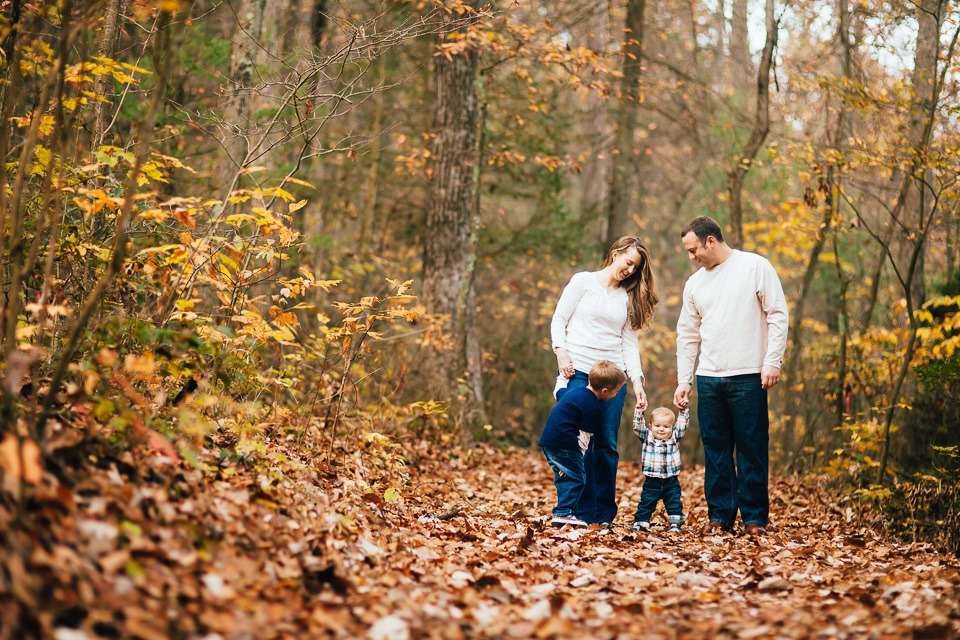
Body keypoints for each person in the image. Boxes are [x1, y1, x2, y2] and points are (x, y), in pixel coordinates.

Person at [673, 216, 788, 537]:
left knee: (752, 447)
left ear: (711, 241)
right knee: (716, 449)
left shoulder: (754, 267)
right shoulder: (695, 284)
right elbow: (687, 334)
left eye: (693, 249)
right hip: (709, 378)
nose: (691, 256)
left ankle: (754, 519)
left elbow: (777, 314)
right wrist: (685, 379)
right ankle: (720, 515)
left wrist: (772, 361)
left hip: (749, 374)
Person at [551, 236, 659, 525]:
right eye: (628, 262)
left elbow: (628, 342)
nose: (630, 270)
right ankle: (578, 511)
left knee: (606, 445)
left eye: (635, 268)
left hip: (613, 379)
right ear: (615, 254)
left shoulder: (628, 297)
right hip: (578, 373)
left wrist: (636, 381)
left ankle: (602, 514)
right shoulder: (582, 282)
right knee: (578, 443)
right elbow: (559, 320)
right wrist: (561, 354)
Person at [538, 360, 627, 527]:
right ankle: (563, 512)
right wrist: (580, 454)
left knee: (565, 476)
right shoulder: (592, 406)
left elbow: (558, 391)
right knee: (578, 478)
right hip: (566, 445)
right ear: (605, 391)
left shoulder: (575, 393)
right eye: (616, 391)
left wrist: (562, 377)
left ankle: (565, 511)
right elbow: (584, 437)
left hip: (549, 441)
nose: (616, 395)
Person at [631, 406, 689, 532]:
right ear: (651, 425)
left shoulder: (674, 438)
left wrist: (683, 410)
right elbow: (637, 426)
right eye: (657, 426)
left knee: (674, 502)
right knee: (646, 502)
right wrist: (639, 411)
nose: (661, 429)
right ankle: (641, 522)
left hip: (671, 480)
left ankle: (675, 524)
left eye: (666, 426)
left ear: (672, 427)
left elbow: (682, 425)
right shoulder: (647, 437)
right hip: (652, 480)